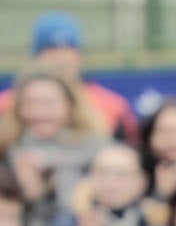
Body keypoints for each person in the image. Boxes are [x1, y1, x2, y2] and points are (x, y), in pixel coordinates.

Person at [0, 69, 109, 226]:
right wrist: (24, 192)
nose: (38, 111)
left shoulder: (97, 148)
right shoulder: (7, 150)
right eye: (30, 103)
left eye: (48, 103)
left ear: (70, 105)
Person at [0, 12, 139, 142]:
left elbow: (126, 153)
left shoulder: (111, 105)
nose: (61, 60)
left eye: (68, 51)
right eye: (51, 51)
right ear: (36, 57)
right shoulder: (6, 105)